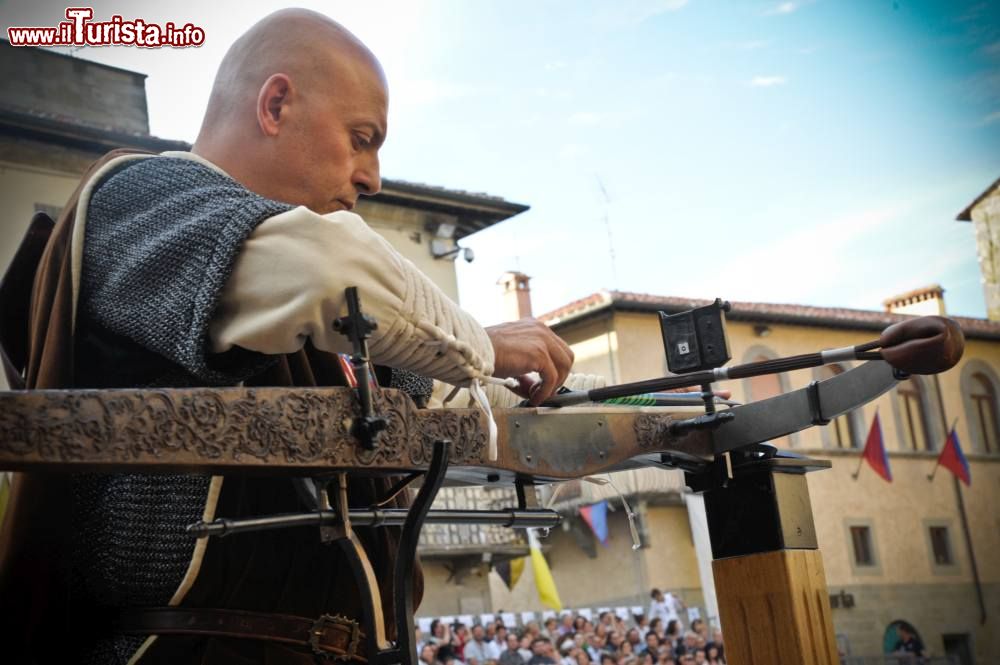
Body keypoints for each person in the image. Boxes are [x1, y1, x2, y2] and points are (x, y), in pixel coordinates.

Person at [0, 8, 576, 665]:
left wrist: (572, 395)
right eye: (362, 137)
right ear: (275, 104)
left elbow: (460, 388)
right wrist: (485, 341)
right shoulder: (142, 196)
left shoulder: (310, 307)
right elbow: (336, 271)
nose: (373, 176)